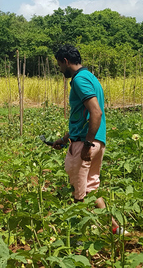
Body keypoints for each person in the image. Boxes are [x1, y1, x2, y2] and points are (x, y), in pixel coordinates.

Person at [52, 44, 125, 235]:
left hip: (86, 143)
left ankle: (80, 238)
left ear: (66, 61)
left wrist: (86, 143)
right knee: (91, 189)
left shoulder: (79, 80)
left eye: (59, 65)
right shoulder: (91, 77)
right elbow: (84, 117)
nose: (60, 69)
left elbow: (96, 112)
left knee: (79, 193)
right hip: (96, 141)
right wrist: (64, 138)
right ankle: (117, 229)